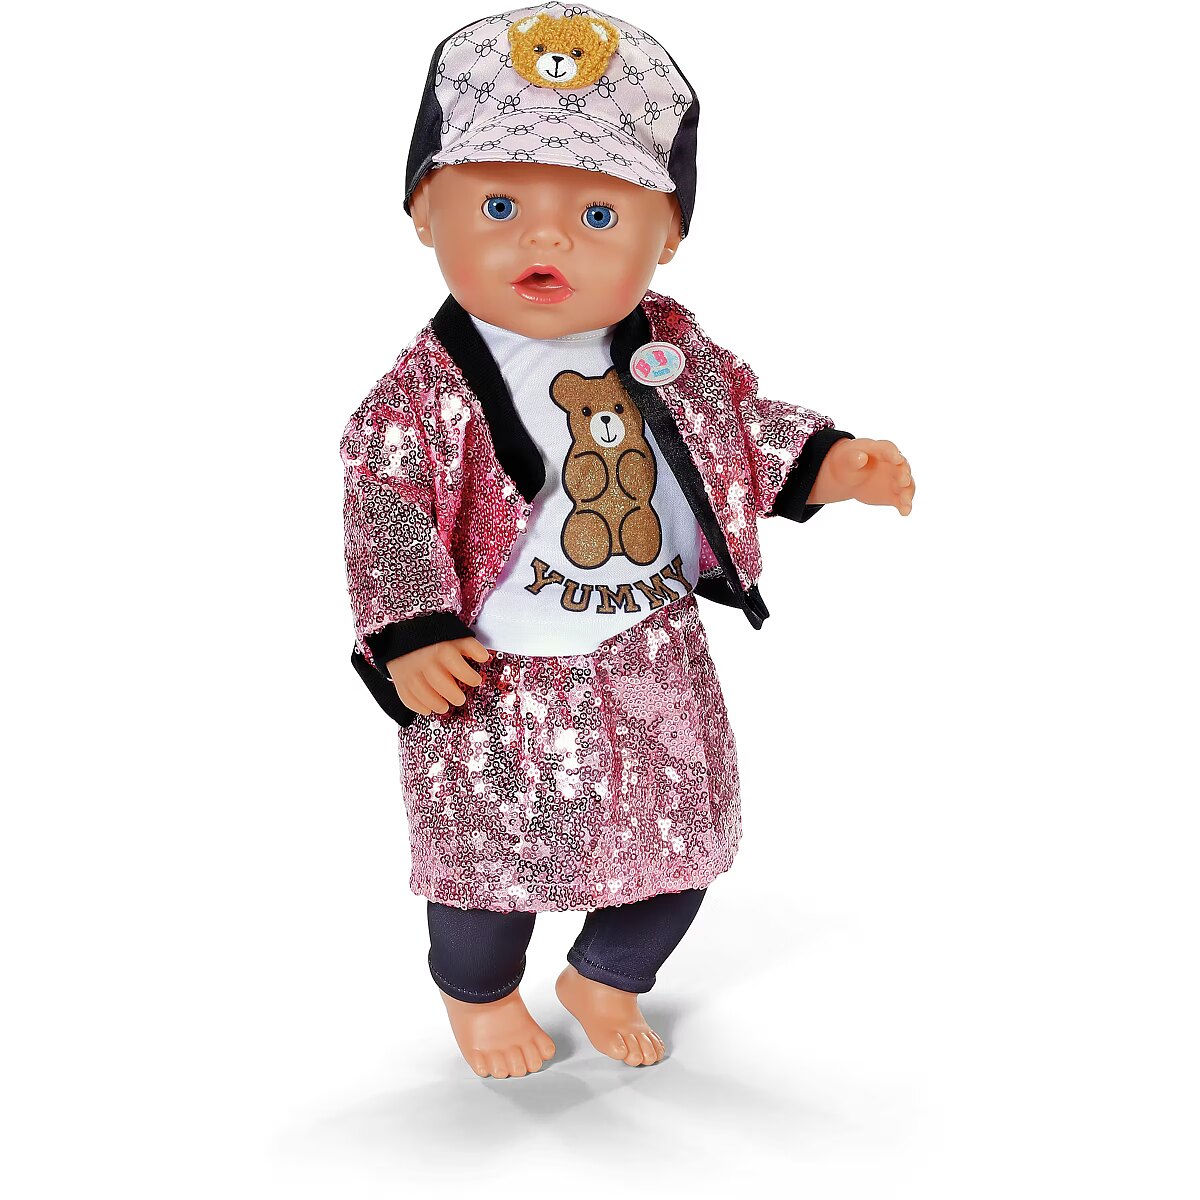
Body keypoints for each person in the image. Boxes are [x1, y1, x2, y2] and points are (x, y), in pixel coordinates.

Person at [341, 5, 915, 1079]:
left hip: (649, 648)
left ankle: (607, 974)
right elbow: (387, 504)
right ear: (424, 212)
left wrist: (828, 464)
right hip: (492, 673)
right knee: (486, 865)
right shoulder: (421, 394)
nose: (546, 238)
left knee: (684, 841)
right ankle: (480, 997)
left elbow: (736, 426)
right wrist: (410, 631)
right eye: (499, 206)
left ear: (669, 236)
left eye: (600, 214)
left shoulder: (671, 350)